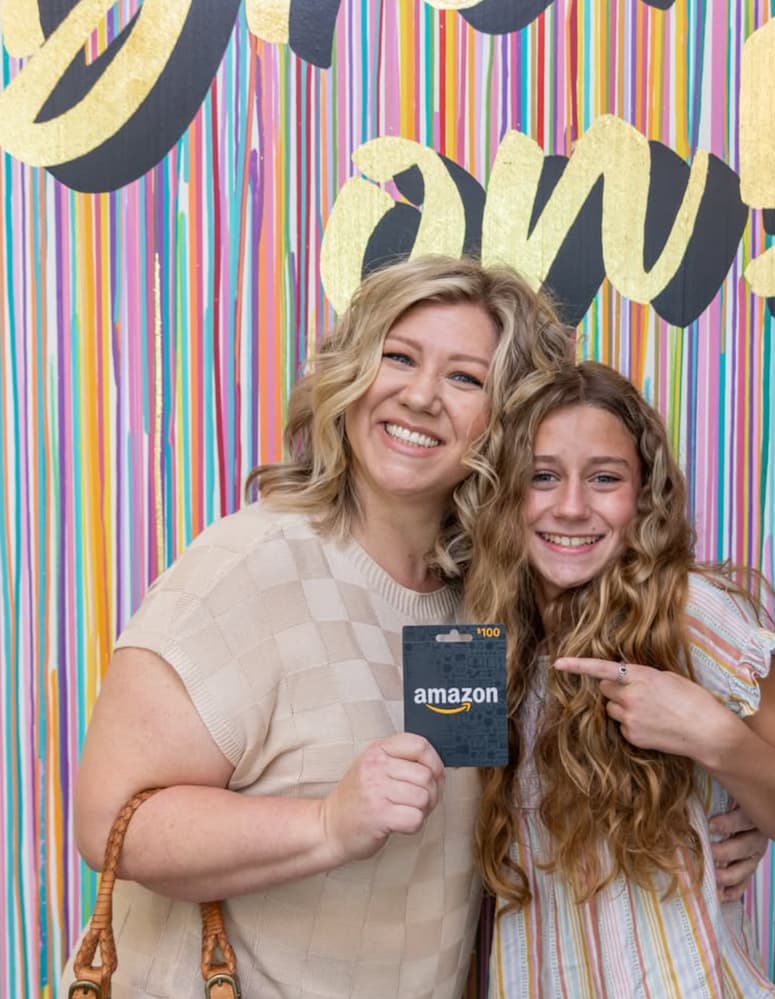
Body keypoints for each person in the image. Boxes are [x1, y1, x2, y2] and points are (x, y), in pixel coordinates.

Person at [61, 256, 576, 999]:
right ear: (352, 375)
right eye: (397, 358)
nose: (422, 394)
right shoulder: (253, 562)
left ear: (507, 420)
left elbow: (444, 853)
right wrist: (327, 824)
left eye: (466, 378)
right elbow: (109, 822)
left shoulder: (469, 606)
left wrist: (696, 837)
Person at [460, 362, 775, 997]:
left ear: (644, 493)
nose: (572, 507)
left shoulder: (692, 612)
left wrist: (715, 739)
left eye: (605, 479)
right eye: (543, 476)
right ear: (506, 489)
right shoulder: (478, 635)